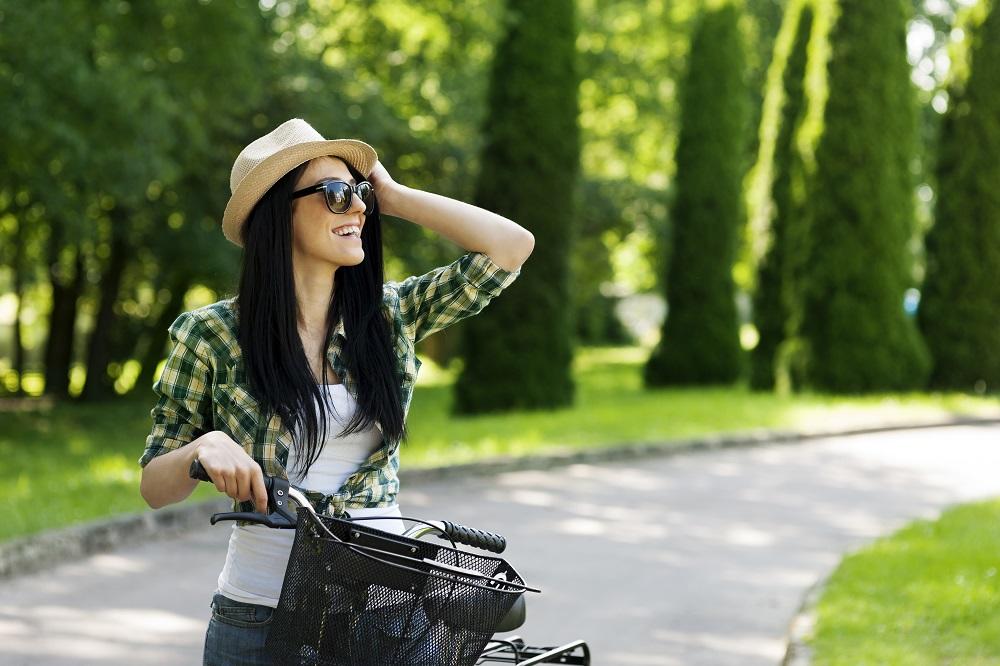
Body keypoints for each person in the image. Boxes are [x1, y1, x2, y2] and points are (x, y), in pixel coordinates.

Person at [137, 118, 533, 664]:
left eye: (359, 192)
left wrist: (393, 195)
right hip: (257, 618)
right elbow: (156, 486)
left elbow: (511, 247)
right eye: (334, 193)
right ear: (278, 213)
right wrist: (200, 448)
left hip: (382, 612)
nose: (357, 208)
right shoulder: (211, 335)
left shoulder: (390, 317)